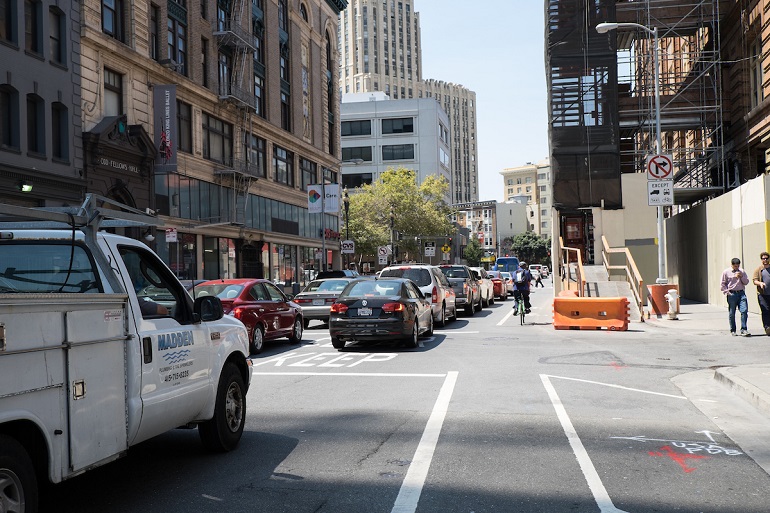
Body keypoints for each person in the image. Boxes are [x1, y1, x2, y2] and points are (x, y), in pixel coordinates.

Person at [720, 257, 750, 336]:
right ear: (732, 265)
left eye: (738, 266)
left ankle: (744, 329)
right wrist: (727, 292)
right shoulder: (726, 272)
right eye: (735, 266)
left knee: (744, 311)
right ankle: (733, 329)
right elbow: (723, 284)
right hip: (732, 294)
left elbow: (746, 282)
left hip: (741, 293)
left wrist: (741, 276)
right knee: (732, 312)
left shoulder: (742, 271)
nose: (737, 268)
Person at [752, 251, 770, 335]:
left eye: (766, 258)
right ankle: (767, 327)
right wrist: (760, 283)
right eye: (763, 258)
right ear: (761, 259)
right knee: (765, 310)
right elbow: (754, 280)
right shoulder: (758, 270)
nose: (765, 260)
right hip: (762, 294)